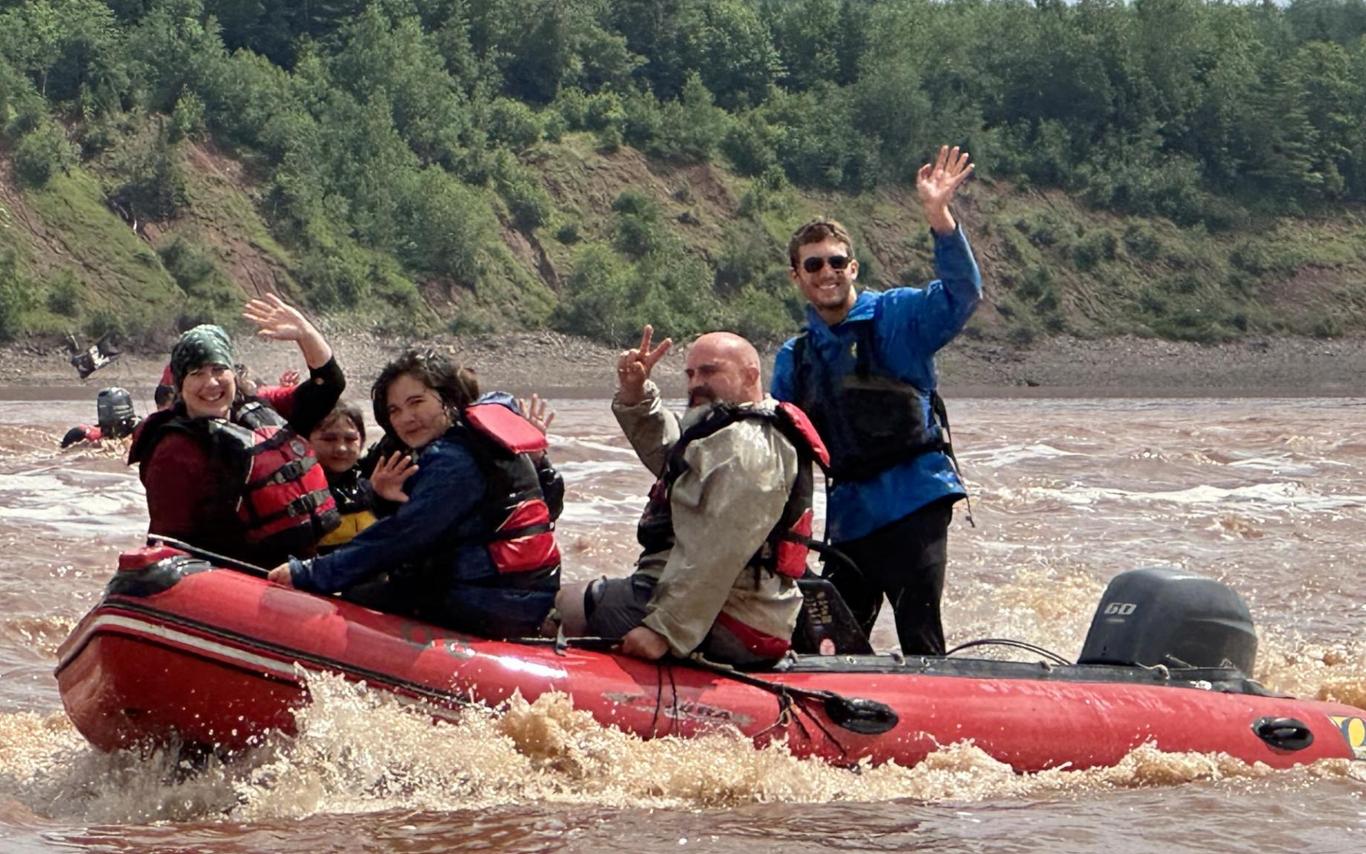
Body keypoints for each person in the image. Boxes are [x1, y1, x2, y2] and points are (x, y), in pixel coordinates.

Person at [770, 144, 981, 656]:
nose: (827, 272)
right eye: (814, 264)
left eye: (837, 261)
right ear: (797, 277)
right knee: (825, 640)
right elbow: (775, 450)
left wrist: (940, 217)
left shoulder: (899, 317)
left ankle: (939, 723)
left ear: (854, 268)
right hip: (851, 518)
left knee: (919, 633)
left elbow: (962, 295)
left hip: (916, 502)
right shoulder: (795, 359)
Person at [555, 326, 828, 668]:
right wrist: (636, 394)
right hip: (722, 603)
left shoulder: (747, 450)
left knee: (567, 606)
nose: (695, 382)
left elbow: (716, 553)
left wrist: (664, 631)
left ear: (750, 375)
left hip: (734, 614)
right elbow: (673, 456)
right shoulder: (728, 429)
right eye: (690, 373)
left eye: (710, 371)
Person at [268, 349, 563, 640]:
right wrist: (384, 499)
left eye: (416, 402)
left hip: (492, 602)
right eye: (394, 410)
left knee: (360, 596)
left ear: (447, 398)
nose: (406, 418)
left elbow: (400, 539)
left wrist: (307, 573)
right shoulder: (486, 437)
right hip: (523, 596)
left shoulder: (453, 459)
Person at [128, 294, 345, 568]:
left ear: (233, 374)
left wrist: (306, 334)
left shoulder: (263, 408)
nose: (211, 383)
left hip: (299, 569)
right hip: (238, 578)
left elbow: (328, 386)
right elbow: (169, 544)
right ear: (180, 386)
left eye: (219, 369)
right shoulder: (173, 450)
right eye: (196, 373)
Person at [310, 401, 378, 553]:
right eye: (329, 439)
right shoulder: (297, 495)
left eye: (350, 439)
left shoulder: (371, 488)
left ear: (362, 443)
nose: (341, 448)